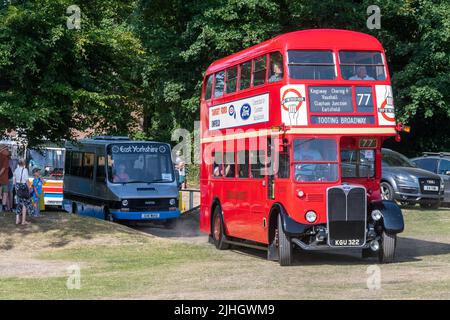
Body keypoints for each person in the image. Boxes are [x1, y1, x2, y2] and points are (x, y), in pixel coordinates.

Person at [13, 159, 33, 225]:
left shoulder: (16, 170)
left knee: (19, 203)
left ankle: (17, 220)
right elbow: (27, 180)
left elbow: (14, 180)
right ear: (24, 163)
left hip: (18, 187)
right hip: (24, 187)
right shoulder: (25, 170)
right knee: (24, 204)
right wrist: (29, 188)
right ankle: (23, 221)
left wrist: (16, 188)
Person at [0, 145, 10, 212]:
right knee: (5, 193)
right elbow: (3, 168)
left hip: (3, 179)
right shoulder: (5, 158)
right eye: (7, 150)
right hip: (3, 179)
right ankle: (3, 206)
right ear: (3, 150)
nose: (8, 151)